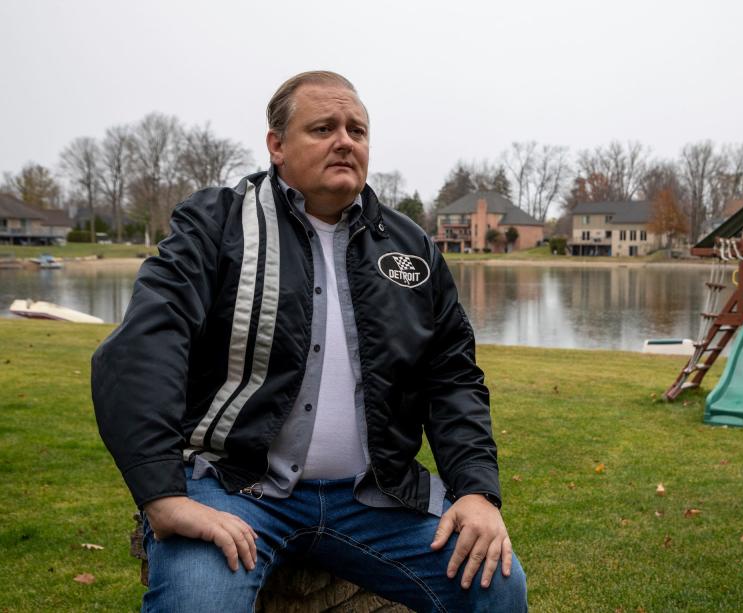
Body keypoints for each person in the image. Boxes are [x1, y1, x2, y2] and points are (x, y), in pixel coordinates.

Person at [92, 70, 527, 612]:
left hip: (375, 497)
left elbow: (453, 377)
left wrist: (477, 492)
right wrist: (161, 494)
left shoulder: (411, 246)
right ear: (276, 145)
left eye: (357, 130)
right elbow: (142, 349)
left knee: (497, 586)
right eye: (323, 128)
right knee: (197, 603)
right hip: (233, 487)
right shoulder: (216, 224)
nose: (345, 141)